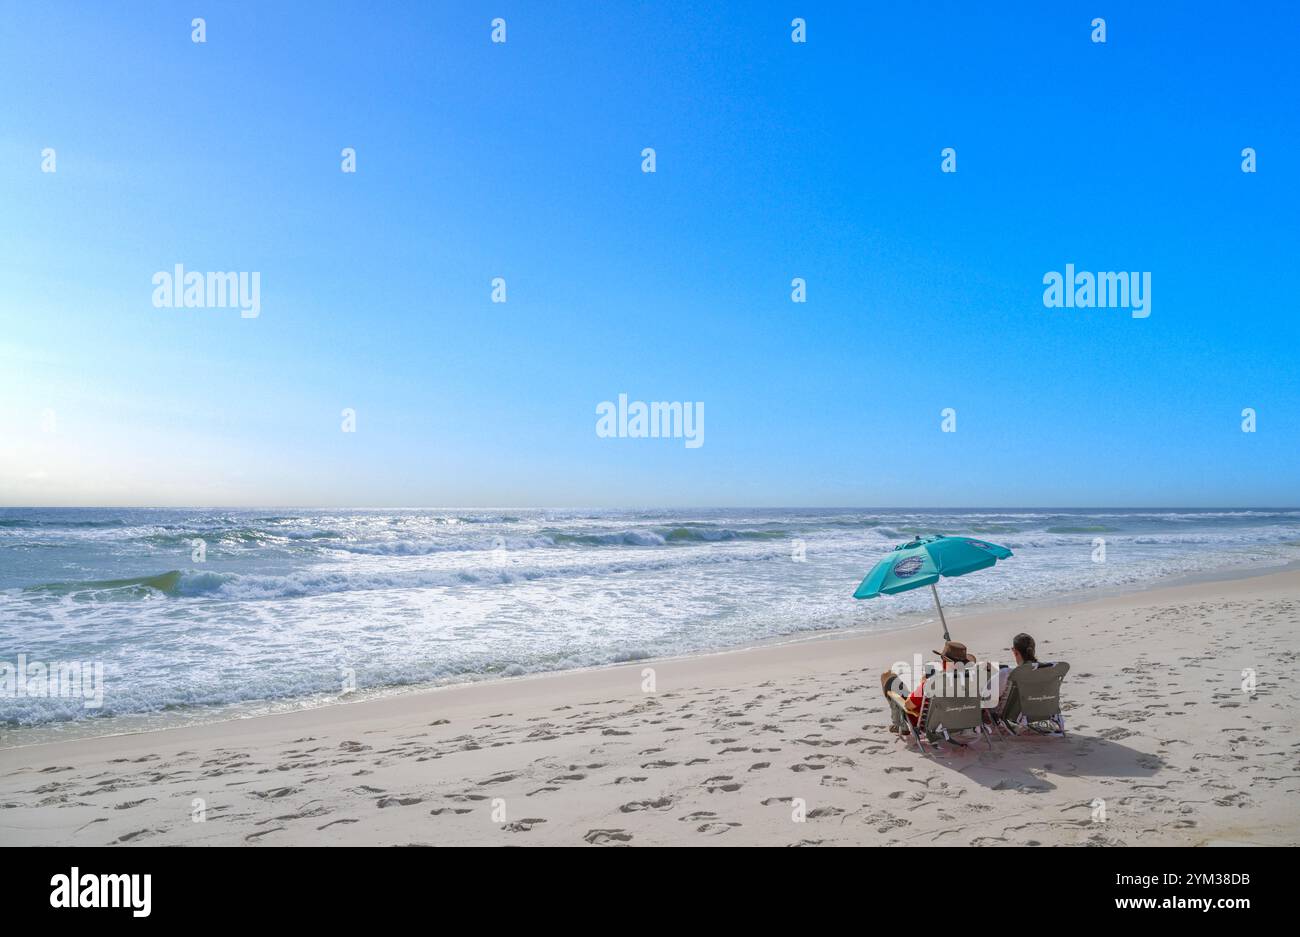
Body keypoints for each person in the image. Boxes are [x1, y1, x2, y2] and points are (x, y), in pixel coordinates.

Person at [881, 640, 976, 731]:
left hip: (930, 723)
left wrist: (922, 684)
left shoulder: (932, 684)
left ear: (944, 661)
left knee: (888, 676)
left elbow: (908, 705)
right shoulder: (973, 681)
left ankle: (899, 725)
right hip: (961, 720)